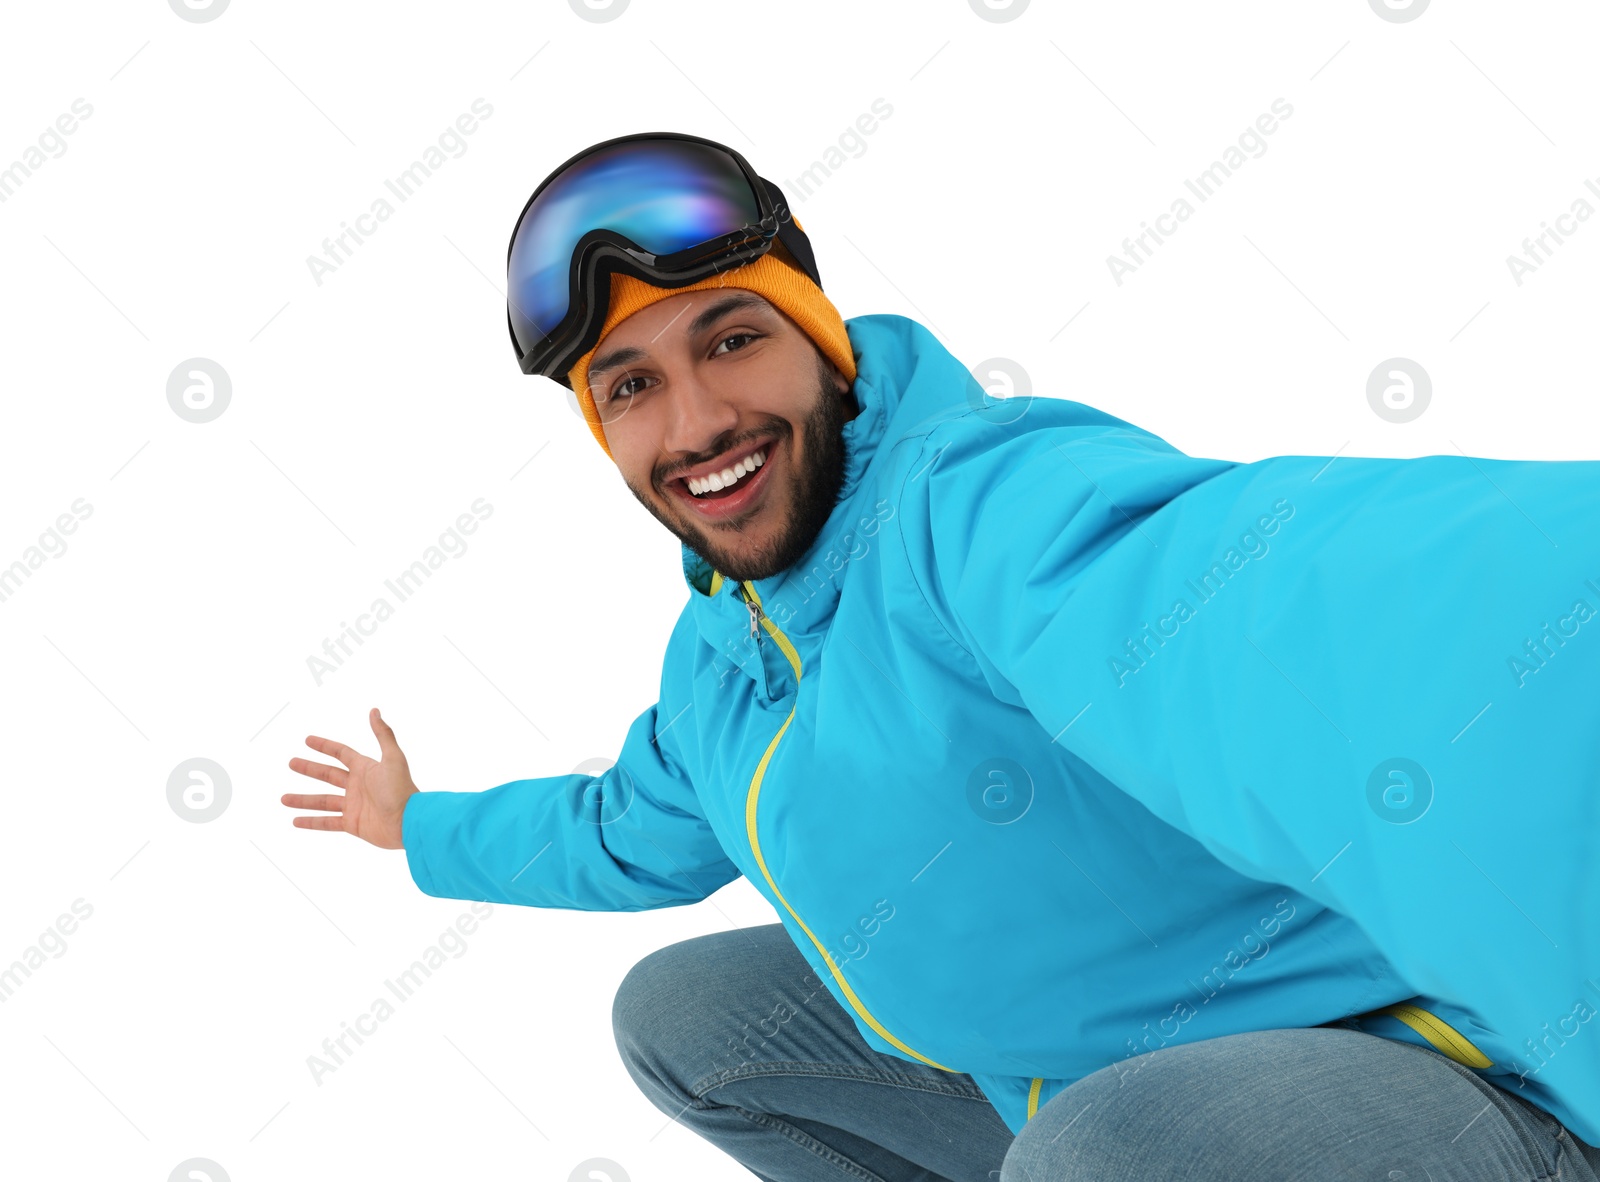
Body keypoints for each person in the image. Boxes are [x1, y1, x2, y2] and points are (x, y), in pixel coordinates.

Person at [283, 131, 1600, 1180]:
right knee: (681, 1020)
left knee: (1104, 1148)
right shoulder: (719, 668)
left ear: (820, 339)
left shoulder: (974, 503)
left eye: (731, 337)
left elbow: (1285, 607)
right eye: (629, 384)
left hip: (1404, 1068)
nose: (695, 420)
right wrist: (420, 825)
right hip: (1065, 1082)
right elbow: (625, 831)